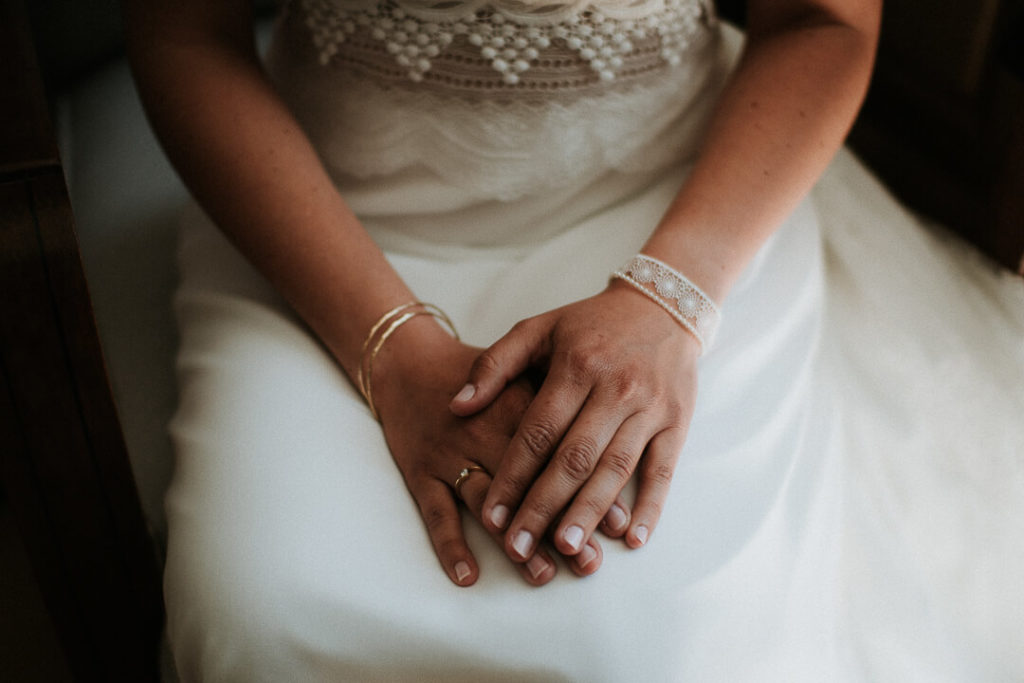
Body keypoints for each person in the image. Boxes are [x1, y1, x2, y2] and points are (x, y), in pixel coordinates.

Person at [125, 0, 1024, 680]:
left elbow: (822, 20)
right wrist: (390, 350)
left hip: (684, 201)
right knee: (265, 610)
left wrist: (669, 299)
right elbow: (183, 33)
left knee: (668, 636)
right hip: (326, 218)